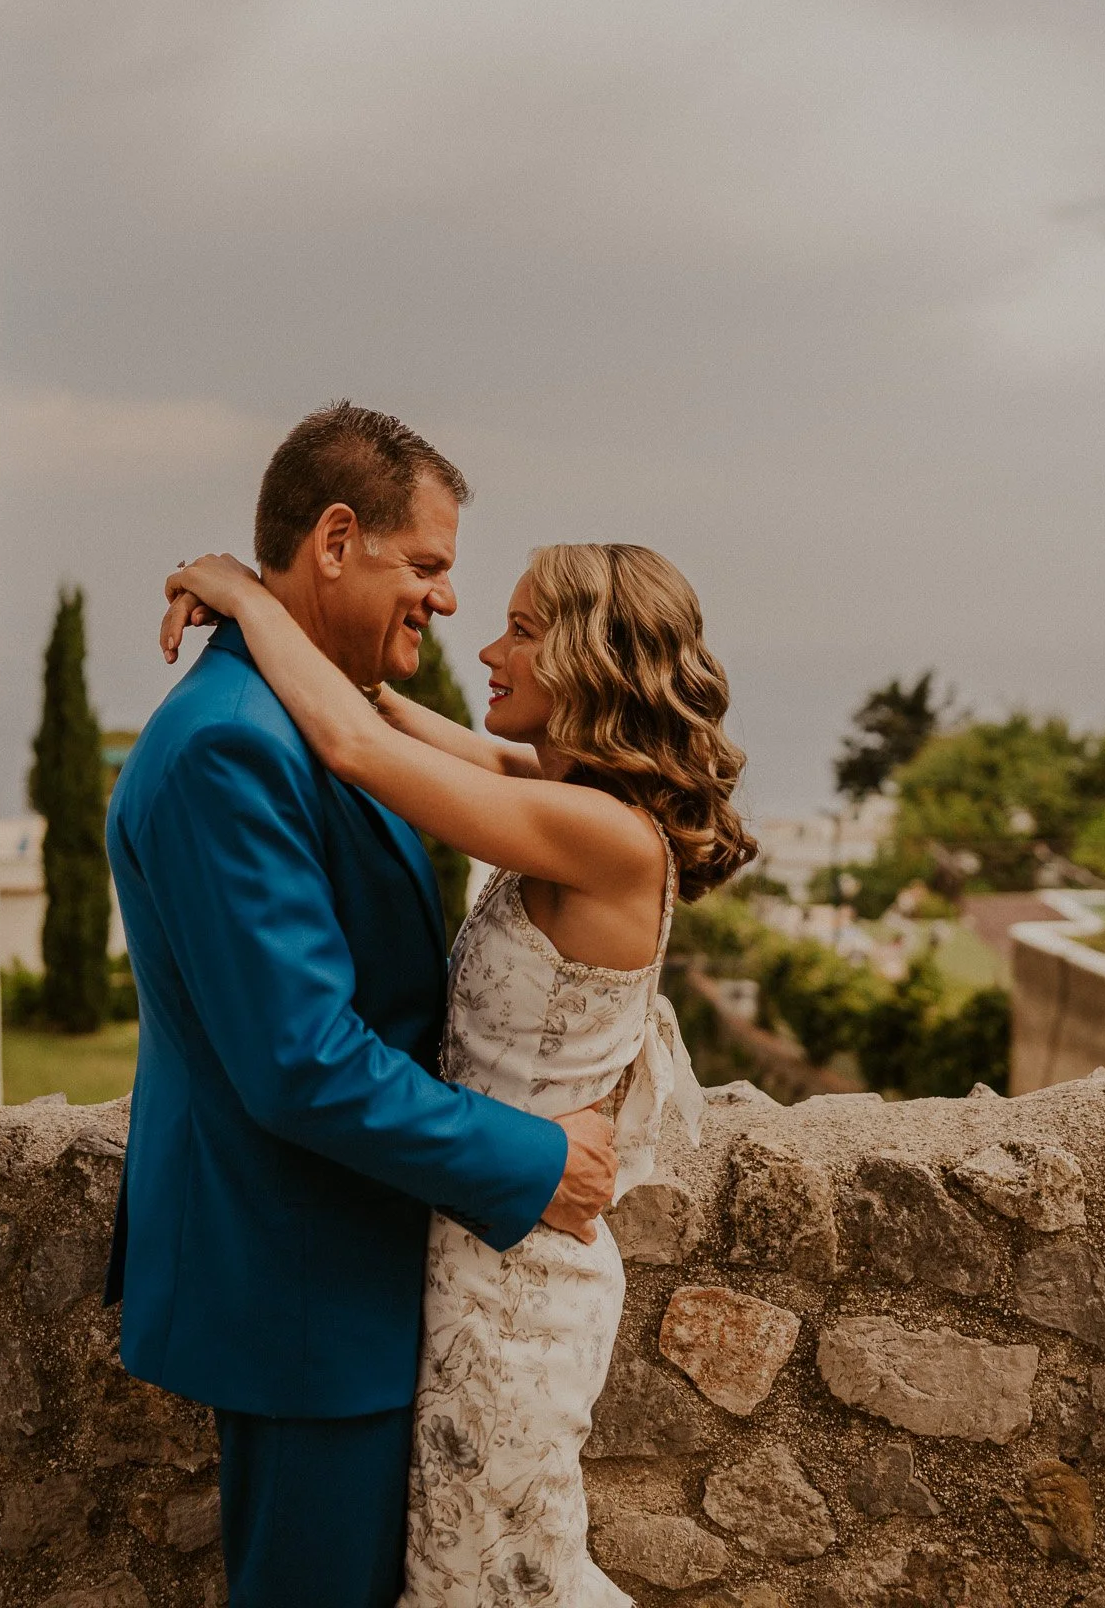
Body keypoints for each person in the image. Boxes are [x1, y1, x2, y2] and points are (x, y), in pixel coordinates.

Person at [162, 533, 757, 1605]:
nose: (485, 645)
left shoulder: (599, 834)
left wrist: (242, 595)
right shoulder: (550, 786)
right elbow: (376, 709)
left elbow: (350, 743)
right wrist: (306, 616)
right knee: (460, 1572)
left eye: (521, 631)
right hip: (476, 1250)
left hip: (521, 1288)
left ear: (588, 659)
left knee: (501, 1579)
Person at [104, 403, 619, 1608]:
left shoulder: (323, 714)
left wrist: (234, 585)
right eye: (429, 566)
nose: (447, 601)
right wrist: (533, 1156)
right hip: (306, 1287)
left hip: (356, 1272)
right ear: (337, 540)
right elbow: (304, 1060)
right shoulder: (233, 744)